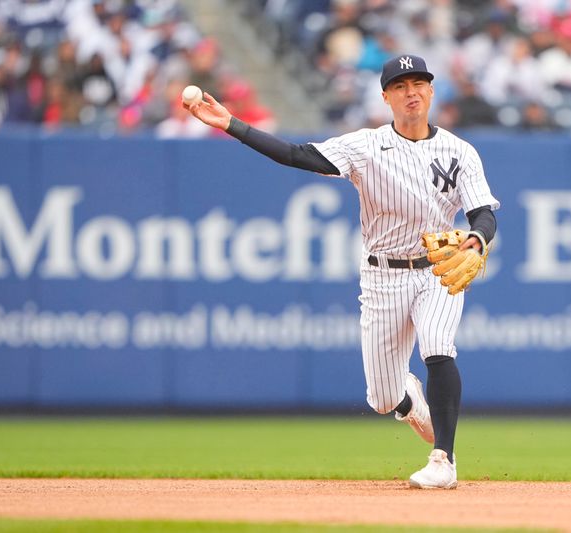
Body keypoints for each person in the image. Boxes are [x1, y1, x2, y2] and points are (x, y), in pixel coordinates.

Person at [185, 54, 499, 490]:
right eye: (401, 85)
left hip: (437, 271)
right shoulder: (365, 147)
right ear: (386, 96)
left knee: (438, 347)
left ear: (431, 91)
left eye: (419, 83)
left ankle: (443, 459)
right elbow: (297, 155)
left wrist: (477, 239)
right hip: (382, 276)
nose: (411, 92)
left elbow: (484, 213)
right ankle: (409, 402)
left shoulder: (459, 151)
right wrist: (231, 124)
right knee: (383, 397)